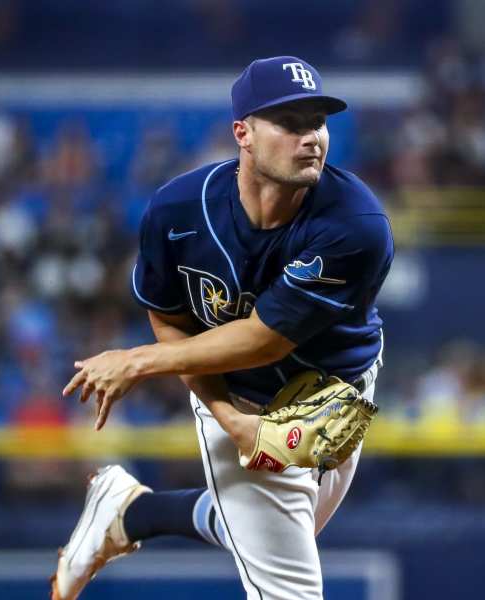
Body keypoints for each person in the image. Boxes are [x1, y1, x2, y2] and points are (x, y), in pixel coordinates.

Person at [51, 56, 394, 600]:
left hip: (339, 394)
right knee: (287, 583)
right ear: (244, 133)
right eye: (290, 123)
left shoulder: (355, 224)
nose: (311, 139)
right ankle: (131, 511)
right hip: (240, 390)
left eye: (318, 123)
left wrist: (135, 361)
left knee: (267, 532)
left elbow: (264, 338)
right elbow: (168, 317)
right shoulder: (178, 211)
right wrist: (229, 416)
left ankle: (130, 511)